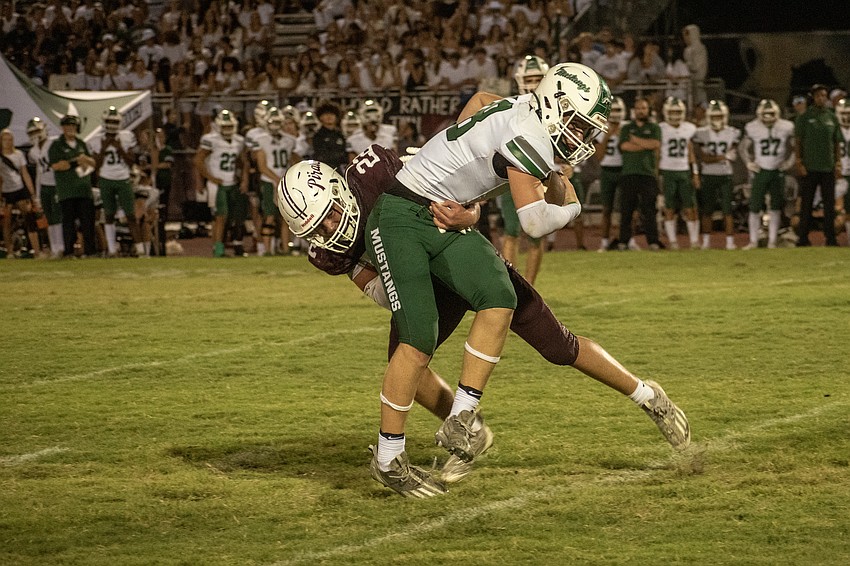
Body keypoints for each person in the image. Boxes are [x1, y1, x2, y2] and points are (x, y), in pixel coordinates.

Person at [277, 145, 691, 493]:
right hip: (411, 276)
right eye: (316, 227)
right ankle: (469, 432)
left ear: (338, 190)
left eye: (329, 215)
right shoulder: (324, 250)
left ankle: (647, 396)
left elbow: (460, 188)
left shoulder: (376, 172)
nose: (329, 229)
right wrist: (396, 285)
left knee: (557, 345)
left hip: (452, 248)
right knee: (406, 367)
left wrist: (471, 216)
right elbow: (367, 280)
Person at [343, 63, 611, 497]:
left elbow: (483, 101)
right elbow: (536, 223)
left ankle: (460, 418)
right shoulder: (530, 134)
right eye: (579, 124)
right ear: (556, 105)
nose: (582, 138)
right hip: (400, 215)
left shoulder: (523, 108)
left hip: (440, 216)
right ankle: (388, 458)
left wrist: (465, 173)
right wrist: (575, 208)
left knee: (498, 294)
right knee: (417, 337)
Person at [498, 55, 550, 284]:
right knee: (511, 230)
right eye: (529, 78)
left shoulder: (552, 109)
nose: (534, 82)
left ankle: (531, 287)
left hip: (539, 175)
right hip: (512, 172)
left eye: (538, 78)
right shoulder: (512, 106)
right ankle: (514, 284)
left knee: (535, 234)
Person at [739, 99, 796, 249]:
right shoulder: (753, 127)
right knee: (754, 206)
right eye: (766, 114)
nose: (769, 117)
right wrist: (748, 163)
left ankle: (771, 241)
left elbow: (797, 147)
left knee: (776, 206)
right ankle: (753, 240)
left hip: (777, 170)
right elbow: (743, 148)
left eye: (771, 114)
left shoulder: (786, 127)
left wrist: (789, 163)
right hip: (761, 171)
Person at [89, 106, 144, 257]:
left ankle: (140, 249)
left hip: (123, 178)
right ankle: (112, 250)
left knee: (131, 215)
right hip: (106, 179)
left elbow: (132, 161)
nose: (112, 124)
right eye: (109, 121)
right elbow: (96, 165)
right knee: (109, 215)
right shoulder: (97, 139)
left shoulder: (126, 136)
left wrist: (119, 149)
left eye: (114, 121)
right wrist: (103, 148)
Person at [194, 109, 249, 257]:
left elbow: (243, 162)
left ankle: (219, 247)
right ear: (218, 126)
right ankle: (218, 249)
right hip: (217, 184)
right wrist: (210, 178)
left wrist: (244, 179)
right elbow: (198, 161)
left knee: (229, 217)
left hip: (231, 182)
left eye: (229, 126)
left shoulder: (239, 141)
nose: (227, 129)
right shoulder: (211, 139)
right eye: (224, 126)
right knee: (220, 216)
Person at [795, 84, 843, 247]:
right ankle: (802, 237)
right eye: (818, 95)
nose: (821, 98)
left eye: (823, 95)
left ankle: (830, 238)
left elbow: (836, 142)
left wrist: (837, 163)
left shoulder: (832, 117)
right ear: (813, 97)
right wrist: (799, 161)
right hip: (810, 167)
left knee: (829, 205)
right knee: (806, 204)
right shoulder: (805, 117)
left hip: (828, 167)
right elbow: (798, 141)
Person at [249, 107, 300, 256]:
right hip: (269, 182)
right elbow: (262, 167)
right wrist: (277, 179)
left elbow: (292, 159)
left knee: (286, 217)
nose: (275, 125)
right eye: (273, 122)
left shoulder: (289, 140)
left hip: (284, 181)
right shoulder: (261, 140)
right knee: (269, 216)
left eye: (278, 122)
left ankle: (285, 248)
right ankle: (267, 249)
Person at [692, 100, 741, 250]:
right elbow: (704, 158)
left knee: (728, 210)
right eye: (714, 116)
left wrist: (719, 158)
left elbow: (732, 155)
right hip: (709, 174)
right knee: (707, 210)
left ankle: (730, 242)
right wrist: (722, 157)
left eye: (719, 116)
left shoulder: (733, 132)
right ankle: (706, 242)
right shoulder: (701, 133)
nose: (717, 119)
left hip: (725, 174)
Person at [48, 114, 98, 258]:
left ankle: (90, 251)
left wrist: (86, 159)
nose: (70, 128)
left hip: (84, 190)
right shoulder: (57, 145)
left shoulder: (82, 144)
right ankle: (69, 251)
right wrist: (77, 161)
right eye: (67, 126)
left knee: (87, 223)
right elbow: (57, 166)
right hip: (67, 190)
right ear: (63, 128)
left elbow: (93, 163)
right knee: (68, 223)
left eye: (72, 126)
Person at [618, 97, 663, 251]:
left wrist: (636, 140)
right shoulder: (626, 128)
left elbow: (655, 144)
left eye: (643, 108)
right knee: (627, 209)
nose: (641, 111)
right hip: (629, 173)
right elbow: (624, 146)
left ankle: (653, 241)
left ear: (648, 110)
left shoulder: (654, 127)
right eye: (638, 108)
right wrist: (645, 145)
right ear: (633, 111)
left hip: (648, 174)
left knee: (649, 210)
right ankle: (624, 241)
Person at [658, 96, 700, 250]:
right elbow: (657, 152)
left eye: (678, 112)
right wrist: (656, 172)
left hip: (684, 171)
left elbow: (690, 151)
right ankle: (673, 241)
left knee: (690, 207)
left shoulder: (689, 128)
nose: (675, 115)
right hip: (668, 170)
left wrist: (695, 172)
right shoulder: (661, 128)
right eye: (672, 112)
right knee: (669, 208)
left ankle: (694, 241)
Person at [27, 117, 64, 258]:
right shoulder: (33, 151)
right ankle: (54, 248)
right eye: (32, 132)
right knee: (49, 218)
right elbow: (38, 172)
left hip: (56, 184)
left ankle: (60, 246)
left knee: (58, 217)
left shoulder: (54, 143)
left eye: (37, 130)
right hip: (44, 185)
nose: (35, 134)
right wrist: (37, 194)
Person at [593, 96, 626, 251]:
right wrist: (607, 135)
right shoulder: (599, 128)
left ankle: (626, 240)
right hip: (607, 170)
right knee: (607, 208)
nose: (615, 114)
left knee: (627, 209)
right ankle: (604, 241)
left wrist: (621, 137)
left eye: (618, 110)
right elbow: (600, 157)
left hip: (624, 170)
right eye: (613, 110)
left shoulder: (626, 127)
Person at [1, 129, 41, 258]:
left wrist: (32, 194)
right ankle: (10, 252)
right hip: (6, 192)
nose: (8, 142)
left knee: (29, 218)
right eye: (5, 140)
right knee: (6, 222)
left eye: (10, 139)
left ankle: (36, 250)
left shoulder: (18, 154)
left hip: (19, 190)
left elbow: (25, 174)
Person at [311, 101, 347, 173]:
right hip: (323, 171)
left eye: (332, 114)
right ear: (320, 117)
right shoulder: (317, 136)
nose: (329, 116)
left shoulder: (340, 135)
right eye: (325, 114)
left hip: (339, 171)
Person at [682, 24, 708, 105]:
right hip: (689, 82)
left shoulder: (700, 49)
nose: (685, 38)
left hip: (698, 80)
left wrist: (686, 65)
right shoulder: (687, 50)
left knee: (700, 100)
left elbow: (696, 66)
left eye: (687, 35)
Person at [837, 98, 850, 241]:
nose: (846, 116)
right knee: (836, 216)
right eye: (844, 113)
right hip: (837, 176)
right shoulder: (832, 127)